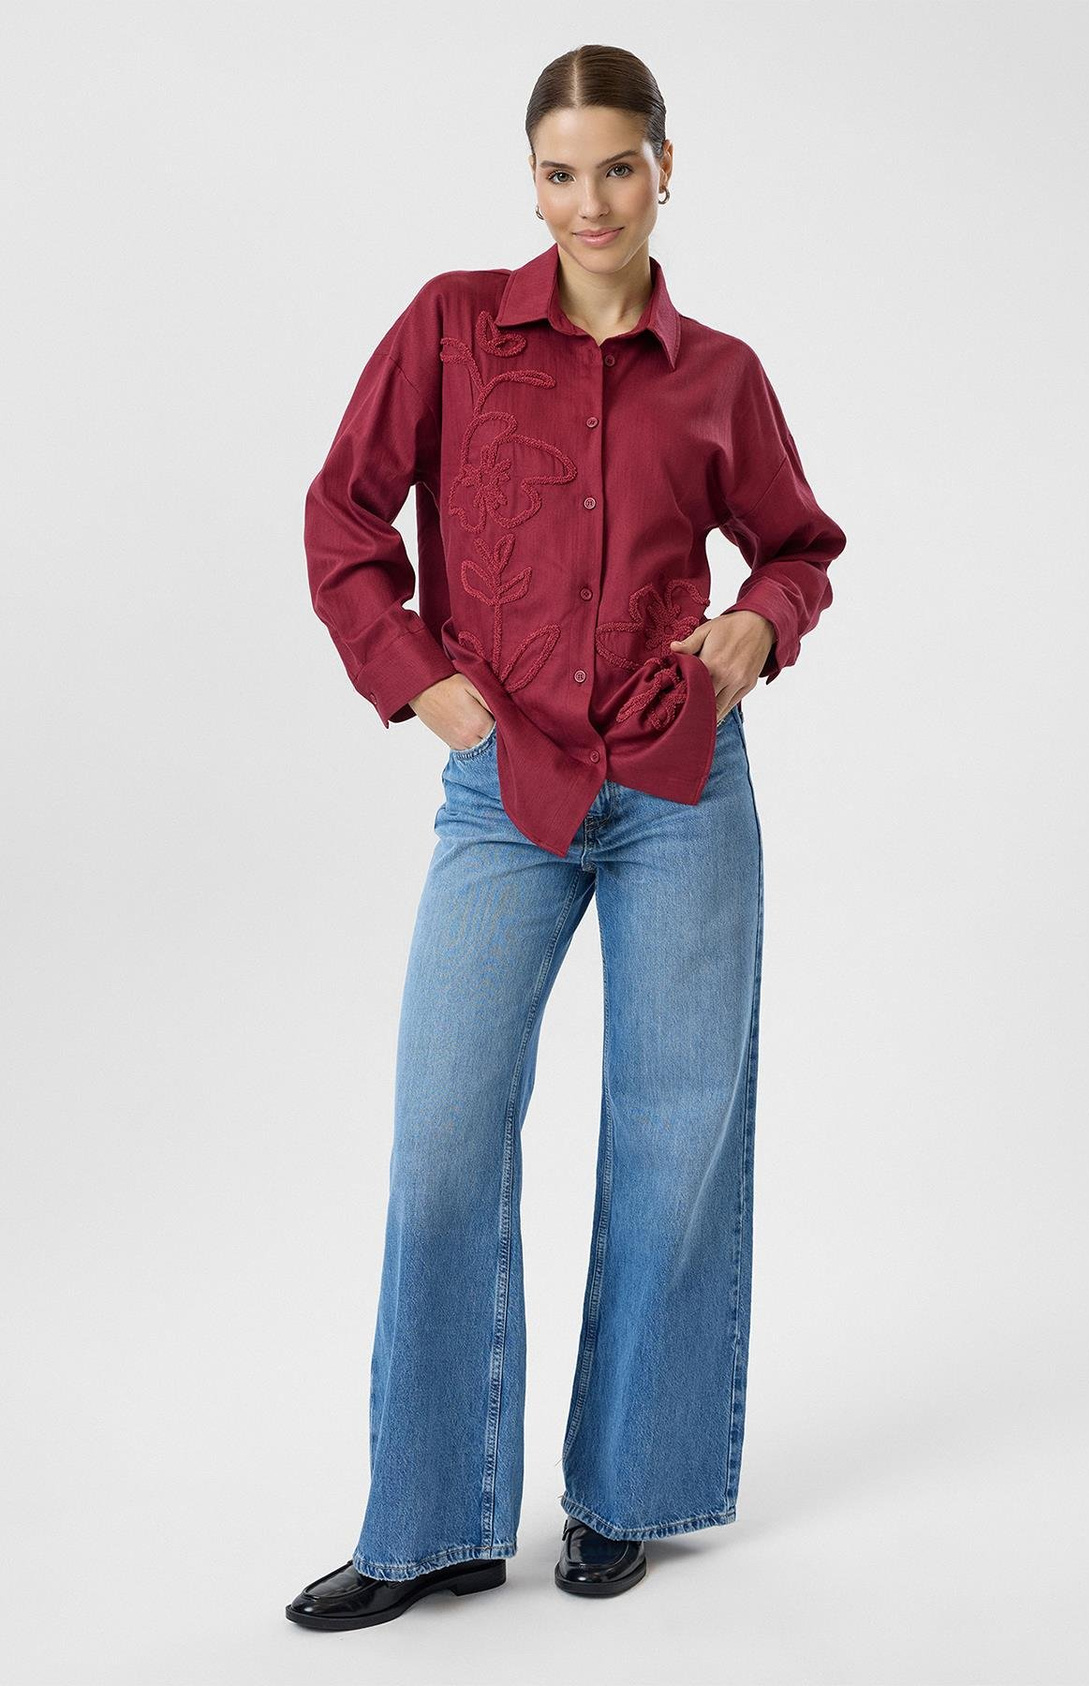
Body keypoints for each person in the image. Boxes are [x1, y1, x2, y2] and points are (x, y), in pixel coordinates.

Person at [286, 42, 846, 1632]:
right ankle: (435, 1523)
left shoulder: (720, 375)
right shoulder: (451, 327)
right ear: (528, 182)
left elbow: (797, 548)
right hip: (505, 787)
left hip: (681, 786)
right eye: (559, 172)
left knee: (677, 1135)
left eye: (616, 168)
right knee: (444, 1133)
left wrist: (759, 626)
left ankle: (629, 1492)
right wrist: (421, 682)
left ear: (667, 168)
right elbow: (344, 522)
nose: (589, 202)